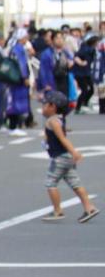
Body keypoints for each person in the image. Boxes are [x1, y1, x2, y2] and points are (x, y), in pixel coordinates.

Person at [39, 90, 98, 224]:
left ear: (52, 106)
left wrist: (74, 152)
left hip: (60, 157)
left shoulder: (53, 121)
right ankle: (89, 208)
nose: (42, 108)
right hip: (66, 158)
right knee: (75, 183)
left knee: (51, 183)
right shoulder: (58, 119)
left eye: (45, 105)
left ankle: (57, 210)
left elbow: (62, 139)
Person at [5, 29, 33, 135]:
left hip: (15, 79)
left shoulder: (15, 48)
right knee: (16, 102)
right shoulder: (18, 49)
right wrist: (25, 77)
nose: (27, 39)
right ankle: (13, 126)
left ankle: (14, 125)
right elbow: (21, 64)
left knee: (14, 101)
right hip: (18, 80)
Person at [38, 31, 71, 98]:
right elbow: (43, 70)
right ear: (52, 40)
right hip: (52, 81)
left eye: (61, 38)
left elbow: (71, 63)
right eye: (57, 38)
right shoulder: (46, 53)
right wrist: (45, 84)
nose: (59, 40)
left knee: (64, 100)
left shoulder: (66, 52)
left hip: (64, 81)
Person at [71, 35, 98, 114]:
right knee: (84, 90)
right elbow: (76, 56)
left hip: (87, 73)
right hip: (80, 73)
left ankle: (84, 102)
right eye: (97, 42)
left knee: (91, 89)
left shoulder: (91, 49)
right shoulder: (86, 49)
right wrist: (81, 63)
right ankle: (78, 107)